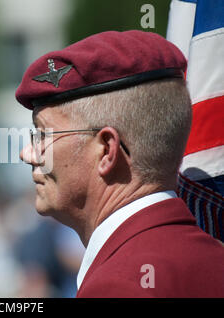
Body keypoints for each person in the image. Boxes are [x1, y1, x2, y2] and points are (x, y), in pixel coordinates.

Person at [15, 30, 224, 297]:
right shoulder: (214, 259)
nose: (28, 153)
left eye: (43, 135)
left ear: (106, 151)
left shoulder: (117, 286)